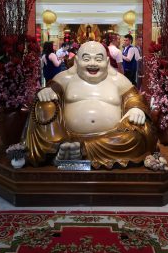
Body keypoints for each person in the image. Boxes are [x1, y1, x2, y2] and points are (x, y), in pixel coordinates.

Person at [25, 41, 157, 169]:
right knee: (43, 105)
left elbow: (134, 97)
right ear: (76, 61)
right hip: (69, 137)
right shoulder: (65, 79)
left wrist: (135, 108)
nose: (93, 64)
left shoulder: (118, 80)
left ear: (106, 61)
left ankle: (79, 150)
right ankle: (55, 149)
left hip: (110, 139)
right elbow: (51, 90)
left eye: (98, 59)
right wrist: (47, 91)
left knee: (138, 135)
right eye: (86, 59)